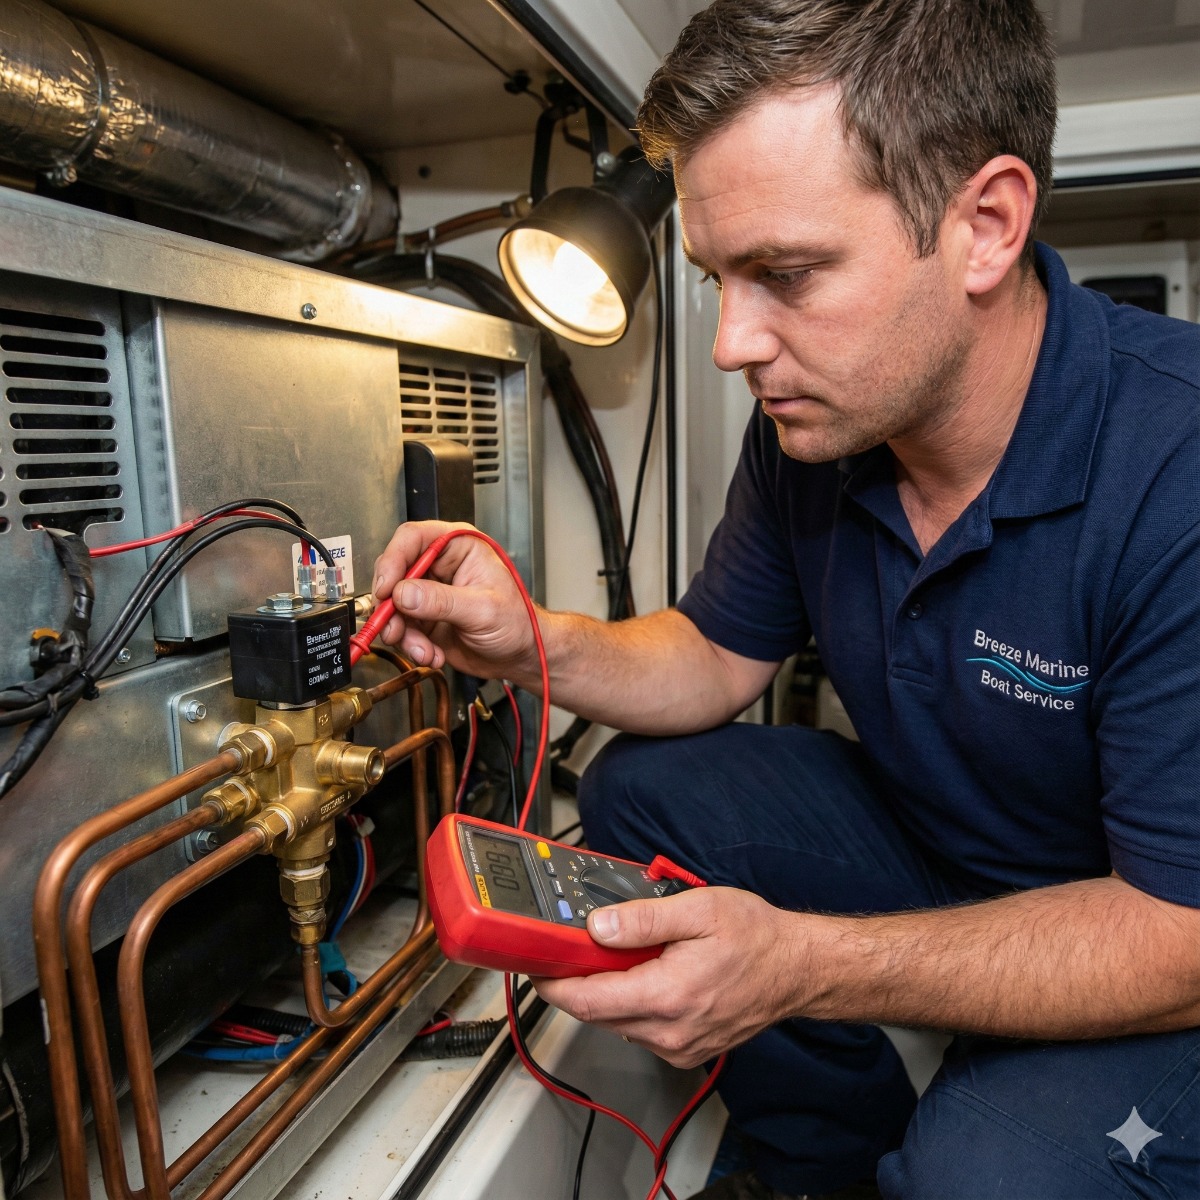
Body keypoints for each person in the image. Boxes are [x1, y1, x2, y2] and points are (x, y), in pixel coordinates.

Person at [373, 1, 1200, 1195]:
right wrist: (529, 641)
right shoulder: (819, 429)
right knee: (643, 789)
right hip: (950, 856)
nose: (732, 344)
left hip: (1159, 939)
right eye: (719, 279)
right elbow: (712, 653)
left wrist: (804, 964)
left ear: (986, 225)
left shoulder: (1173, 468)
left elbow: (1176, 932)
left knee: (982, 1171)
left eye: (786, 274)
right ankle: (818, 1159)